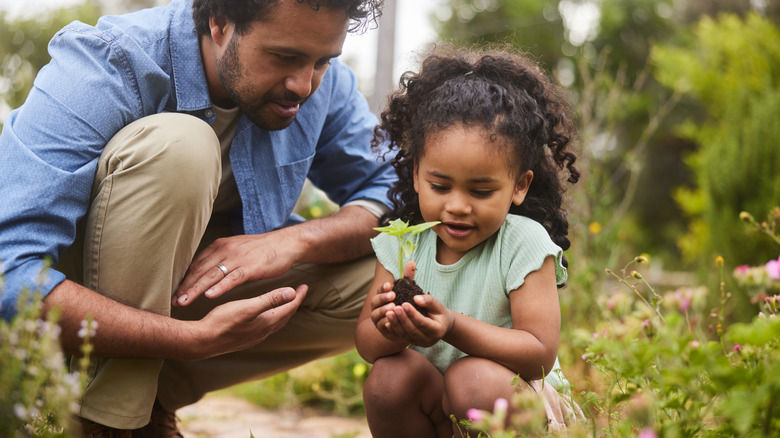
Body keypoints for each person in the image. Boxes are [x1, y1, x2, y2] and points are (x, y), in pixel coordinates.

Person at [0, 0, 395, 436]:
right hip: (61, 326)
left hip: (187, 292)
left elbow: (395, 190)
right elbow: (9, 275)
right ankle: (100, 418)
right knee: (182, 146)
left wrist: (295, 241)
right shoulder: (107, 62)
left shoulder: (326, 85)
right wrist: (190, 339)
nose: (303, 84)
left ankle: (152, 402)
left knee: (391, 280)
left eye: (322, 60)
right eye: (285, 57)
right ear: (220, 23)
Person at [354, 46, 583, 437]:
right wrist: (387, 327)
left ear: (519, 186)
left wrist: (451, 326)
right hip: (442, 409)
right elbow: (368, 346)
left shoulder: (523, 243)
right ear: (416, 174)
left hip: (516, 408)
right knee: (389, 377)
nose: (457, 207)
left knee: (471, 379)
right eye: (440, 186)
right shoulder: (402, 242)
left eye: (480, 191)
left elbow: (539, 354)